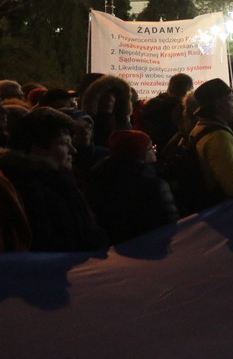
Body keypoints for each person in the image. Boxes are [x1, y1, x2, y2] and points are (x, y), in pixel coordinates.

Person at [0, 107, 108, 251]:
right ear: (37, 148)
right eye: (64, 143)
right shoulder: (28, 189)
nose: (73, 150)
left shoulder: (61, 179)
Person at [86, 130, 179, 245]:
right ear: (140, 153)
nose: (155, 152)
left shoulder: (99, 177)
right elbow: (170, 222)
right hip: (152, 246)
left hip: (116, 249)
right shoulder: (154, 184)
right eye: (151, 148)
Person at [184, 79, 233, 210]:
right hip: (223, 211)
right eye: (231, 100)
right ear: (219, 105)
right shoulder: (220, 137)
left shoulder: (199, 129)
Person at [139, 73, 193, 153]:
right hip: (170, 150)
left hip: (150, 148)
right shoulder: (179, 108)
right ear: (187, 88)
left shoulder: (152, 103)